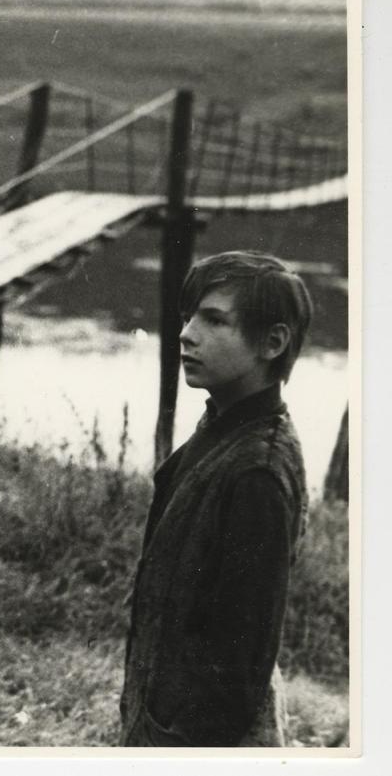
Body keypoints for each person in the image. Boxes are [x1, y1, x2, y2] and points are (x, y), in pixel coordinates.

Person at [119, 251, 313, 747]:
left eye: (214, 320)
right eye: (188, 317)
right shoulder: (226, 423)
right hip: (163, 714)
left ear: (273, 342)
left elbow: (240, 663)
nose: (186, 333)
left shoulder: (257, 473)